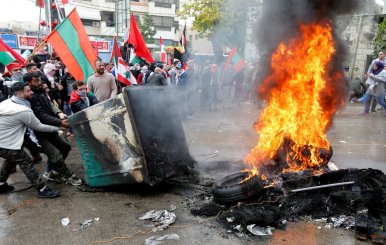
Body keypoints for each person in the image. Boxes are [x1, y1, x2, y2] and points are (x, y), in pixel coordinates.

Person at [0, 82, 60, 197]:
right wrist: (58, 128)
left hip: (6, 142)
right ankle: (42, 189)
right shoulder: (22, 110)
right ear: (20, 94)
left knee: (11, 159)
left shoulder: (7, 102)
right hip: (5, 143)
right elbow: (38, 126)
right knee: (25, 160)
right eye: (28, 91)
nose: (31, 92)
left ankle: (1, 184)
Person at [26, 72, 82, 185]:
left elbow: (50, 104)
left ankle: (52, 172)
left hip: (50, 127)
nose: (39, 82)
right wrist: (60, 122)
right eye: (36, 80)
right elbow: (41, 115)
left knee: (65, 147)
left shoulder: (41, 91)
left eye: (39, 80)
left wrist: (59, 113)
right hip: (38, 132)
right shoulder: (30, 96)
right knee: (55, 154)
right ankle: (69, 176)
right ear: (28, 83)